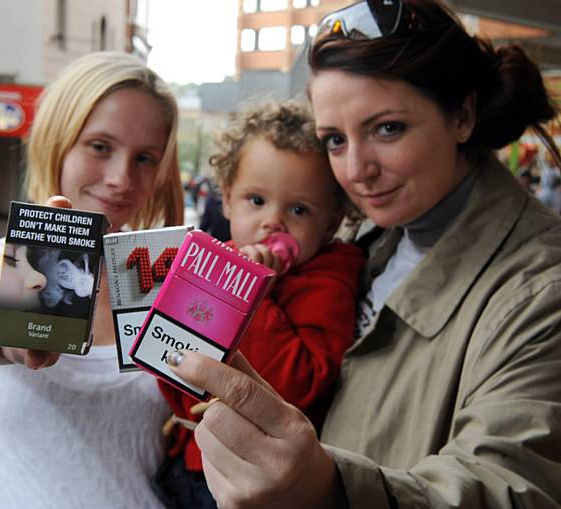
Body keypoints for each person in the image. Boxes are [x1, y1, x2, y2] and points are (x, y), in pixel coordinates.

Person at [160, 1, 561, 508]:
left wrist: (327, 489)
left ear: (462, 114)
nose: (355, 170)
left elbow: (510, 487)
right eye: (333, 139)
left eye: (387, 128)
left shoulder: (541, 288)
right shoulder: (372, 236)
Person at [0, 51, 184, 509]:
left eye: (145, 158)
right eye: (100, 146)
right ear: (56, 139)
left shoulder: (161, 281)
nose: (122, 178)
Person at [154, 98, 364, 508]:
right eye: (256, 200)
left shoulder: (329, 283)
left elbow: (299, 382)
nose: (273, 221)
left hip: (249, 478)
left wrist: (250, 292)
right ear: (228, 199)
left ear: (332, 223)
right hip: (186, 456)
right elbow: (170, 353)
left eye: (299, 209)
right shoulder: (212, 260)